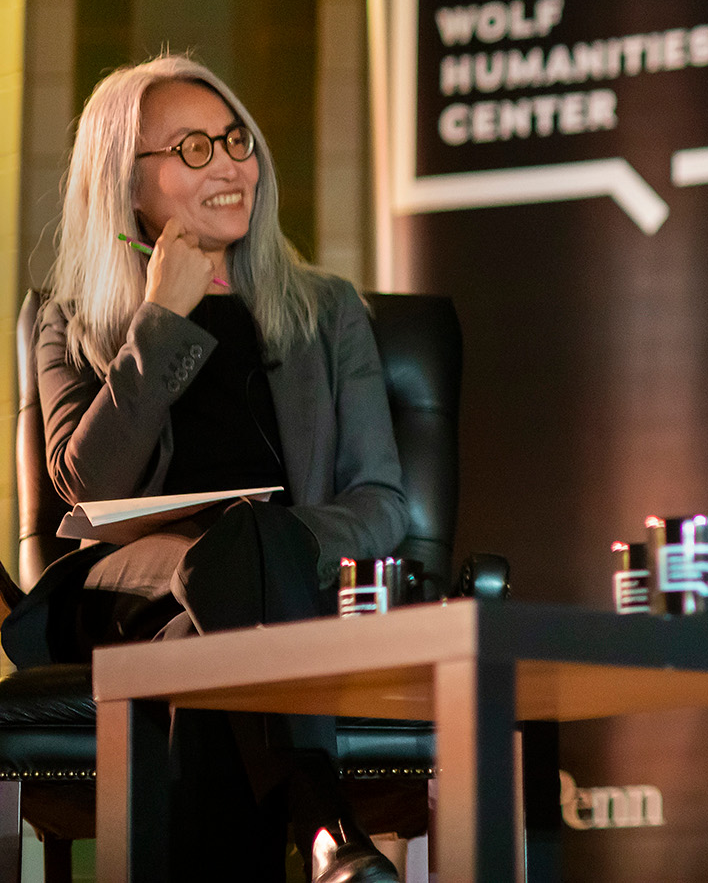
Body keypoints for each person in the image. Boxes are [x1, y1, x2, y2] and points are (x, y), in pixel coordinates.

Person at [0, 55, 410, 883]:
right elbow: (89, 483)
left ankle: (319, 824)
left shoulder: (326, 309)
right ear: (126, 185)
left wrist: (267, 541)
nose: (229, 165)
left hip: (266, 586)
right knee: (225, 559)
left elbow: (381, 501)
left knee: (211, 618)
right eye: (193, 148)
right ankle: (322, 817)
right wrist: (161, 316)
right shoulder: (67, 316)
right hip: (121, 589)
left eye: (235, 140)